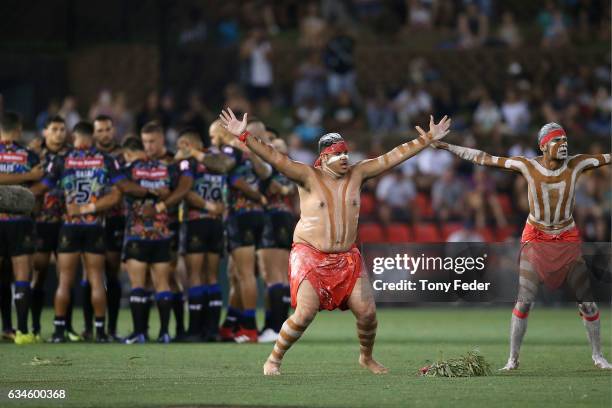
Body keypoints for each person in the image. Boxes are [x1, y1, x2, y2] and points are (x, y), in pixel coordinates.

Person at [220, 108, 450, 375]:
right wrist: (244, 136)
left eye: (346, 153)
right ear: (324, 157)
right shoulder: (307, 176)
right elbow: (275, 158)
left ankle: (366, 357)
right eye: (338, 154)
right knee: (305, 314)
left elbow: (391, 157)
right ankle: (273, 359)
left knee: (367, 313)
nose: (344, 158)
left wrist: (426, 140)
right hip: (310, 255)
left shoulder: (359, 173)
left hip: (347, 257)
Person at [432, 122, 612, 370]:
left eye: (565, 140)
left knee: (587, 302)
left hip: (567, 237)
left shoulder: (577, 163)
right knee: (524, 301)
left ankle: (598, 355)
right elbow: (485, 159)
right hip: (535, 237)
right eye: (557, 141)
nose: (563, 144)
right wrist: (446, 146)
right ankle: (512, 359)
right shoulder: (527, 166)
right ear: (543, 145)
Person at [31, 121, 125, 343]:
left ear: (74, 137)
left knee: (64, 281)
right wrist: (90, 208)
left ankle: (58, 331)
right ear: (91, 137)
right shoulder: (105, 159)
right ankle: (100, 332)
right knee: (95, 279)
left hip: (69, 226)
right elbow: (117, 195)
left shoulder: (62, 160)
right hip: (94, 226)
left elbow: (42, 188)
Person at [120, 128, 192, 344]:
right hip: (156, 233)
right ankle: (161, 332)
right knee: (158, 284)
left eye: (152, 141)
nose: (149, 146)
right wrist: (158, 195)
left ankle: (146, 333)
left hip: (144, 233)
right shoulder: (167, 168)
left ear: (161, 140)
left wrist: (155, 198)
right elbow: (183, 188)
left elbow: (120, 184)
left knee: (144, 284)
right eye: (145, 142)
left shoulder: (136, 168)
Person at [178, 129, 232, 341]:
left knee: (195, 276)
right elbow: (225, 167)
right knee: (212, 277)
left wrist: (206, 205)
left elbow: (185, 191)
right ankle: (212, 330)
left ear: (186, 143)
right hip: (216, 224)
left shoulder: (189, 163)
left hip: (196, 221)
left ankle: (195, 331)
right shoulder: (216, 160)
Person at [0, 112, 43, 344]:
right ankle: (23, 331)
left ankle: (7, 327)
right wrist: (26, 177)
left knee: (3, 278)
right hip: (20, 221)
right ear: (18, 130)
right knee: (22, 276)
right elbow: (41, 182)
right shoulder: (28, 155)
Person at [31, 115, 74, 342]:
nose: (59, 133)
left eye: (62, 129)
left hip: (67, 222)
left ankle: (67, 326)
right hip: (41, 222)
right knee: (38, 273)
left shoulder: (72, 155)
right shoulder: (35, 155)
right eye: (54, 129)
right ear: (45, 131)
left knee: (66, 276)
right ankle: (35, 326)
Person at [257, 135, 296, 343]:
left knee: (272, 276)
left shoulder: (269, 168)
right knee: (281, 276)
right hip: (287, 217)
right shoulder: (291, 168)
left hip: (271, 217)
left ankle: (274, 327)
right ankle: (280, 325)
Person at [91, 114, 125, 340]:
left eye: (107, 129)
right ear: (94, 133)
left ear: (113, 130)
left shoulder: (122, 156)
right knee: (90, 274)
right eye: (100, 130)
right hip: (90, 221)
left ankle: (111, 327)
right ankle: (88, 326)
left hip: (115, 218)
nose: (104, 133)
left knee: (112, 270)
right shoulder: (87, 156)